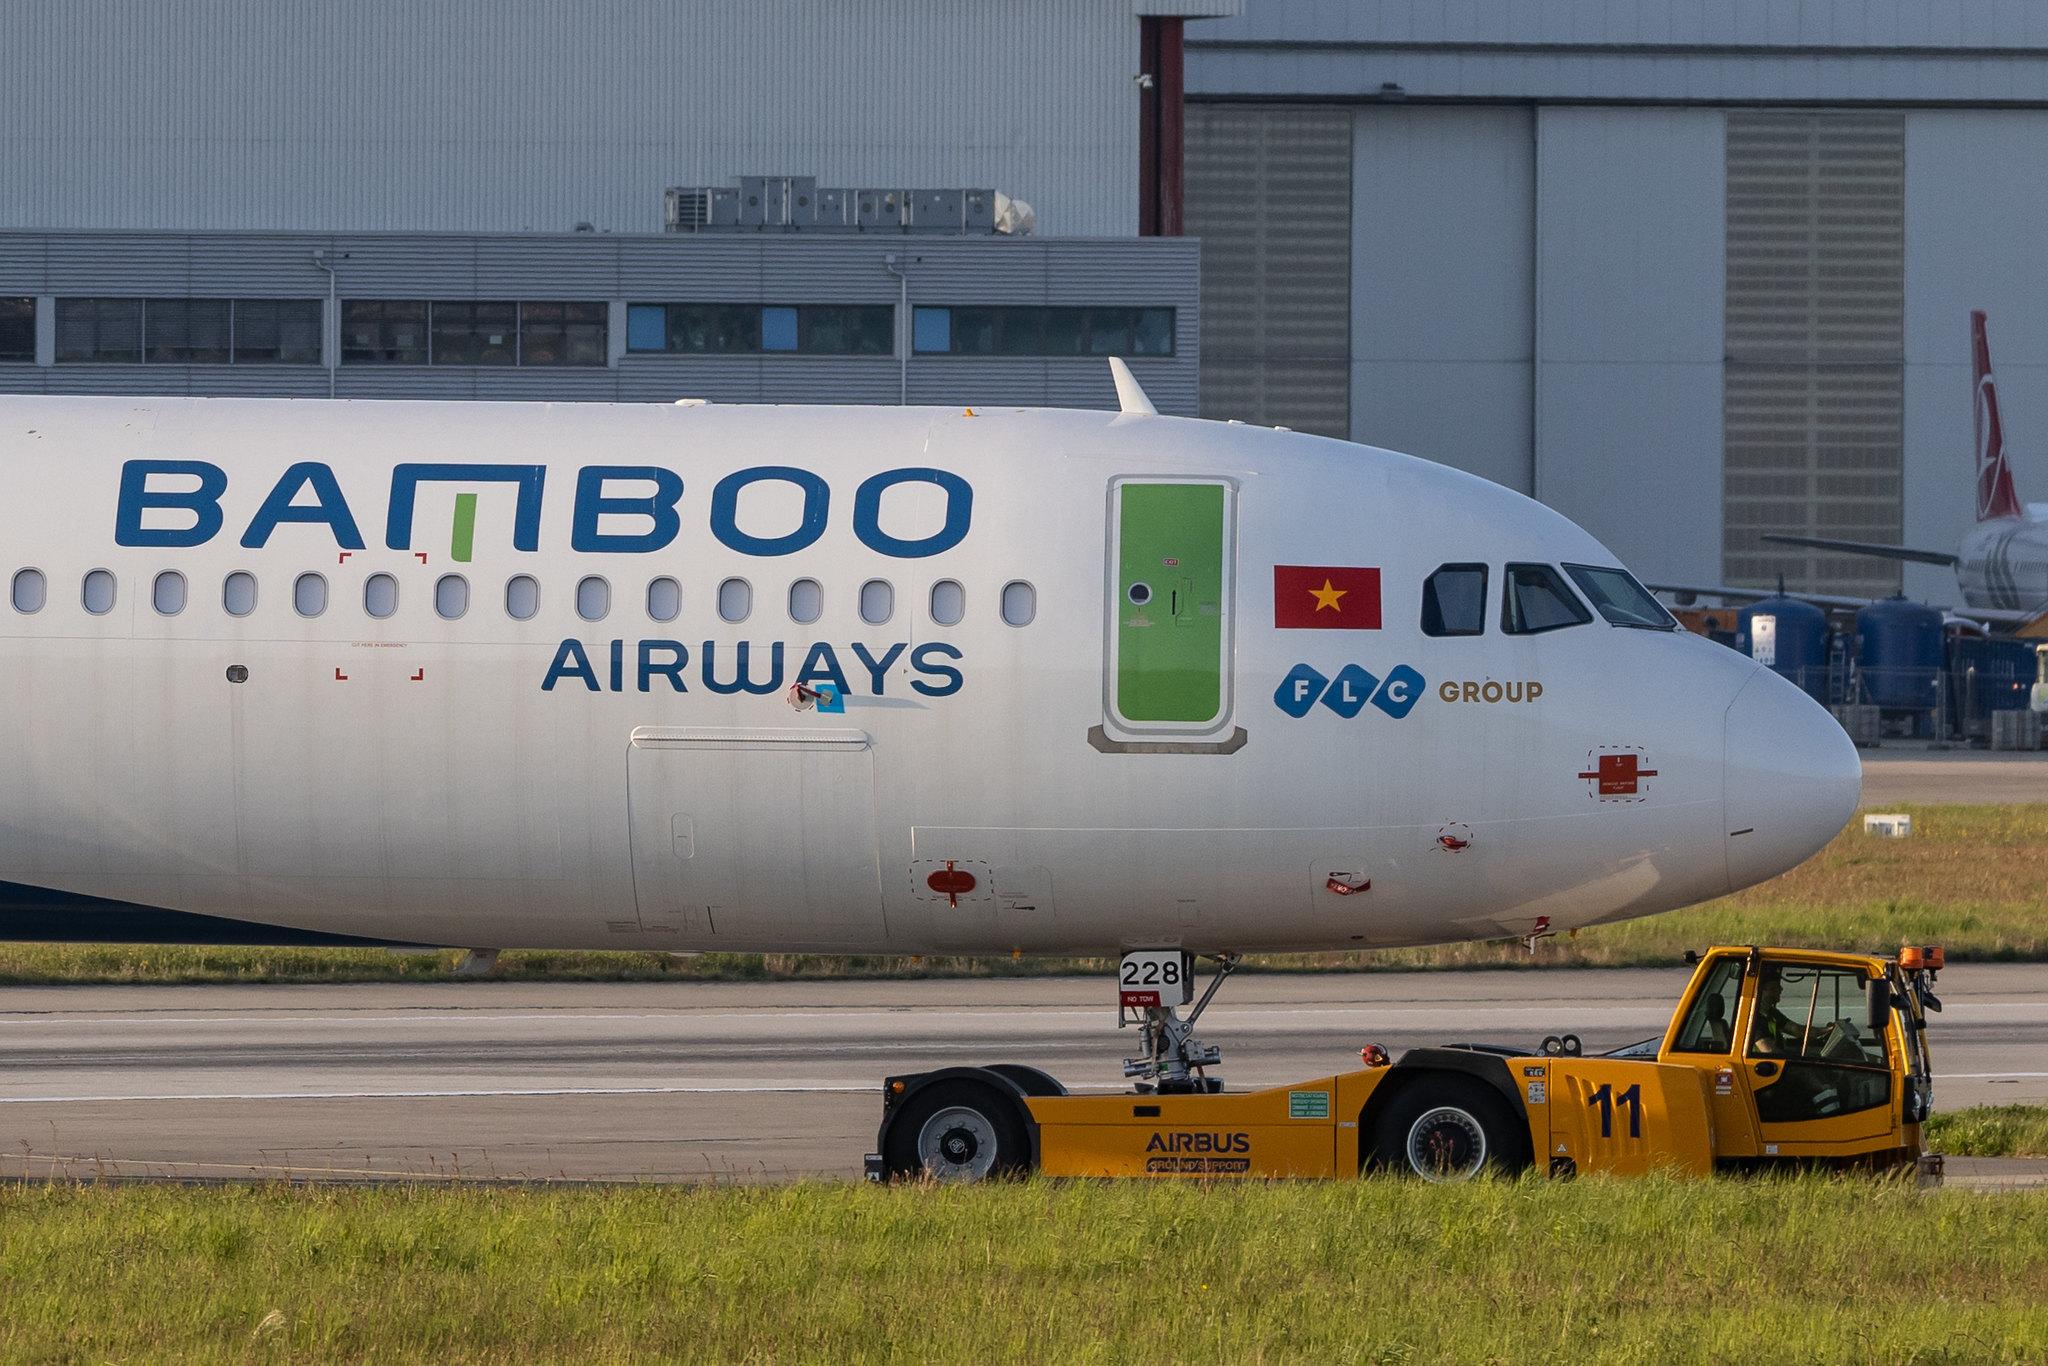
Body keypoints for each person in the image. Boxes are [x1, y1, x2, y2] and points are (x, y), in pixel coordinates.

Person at [1748, 971, 1812, 1058]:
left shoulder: (1771, 1012)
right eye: (1774, 987)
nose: (1781, 989)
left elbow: (1796, 1030)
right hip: (1762, 1064)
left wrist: (1826, 1030)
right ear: (1761, 991)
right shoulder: (1752, 1018)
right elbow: (1769, 1050)